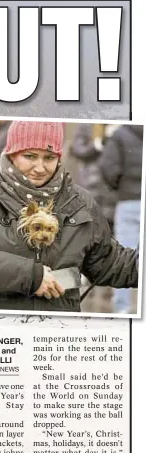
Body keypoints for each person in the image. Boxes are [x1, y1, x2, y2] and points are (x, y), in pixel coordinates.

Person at [0, 120, 139, 313]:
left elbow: (109, 262)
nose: (40, 167)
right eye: (30, 156)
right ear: (11, 154)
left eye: (49, 158)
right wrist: (32, 276)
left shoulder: (80, 203)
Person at [99, 123, 143, 314]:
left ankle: (122, 309)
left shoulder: (120, 134)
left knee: (124, 258)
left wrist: (121, 186)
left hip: (129, 201)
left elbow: (108, 167)